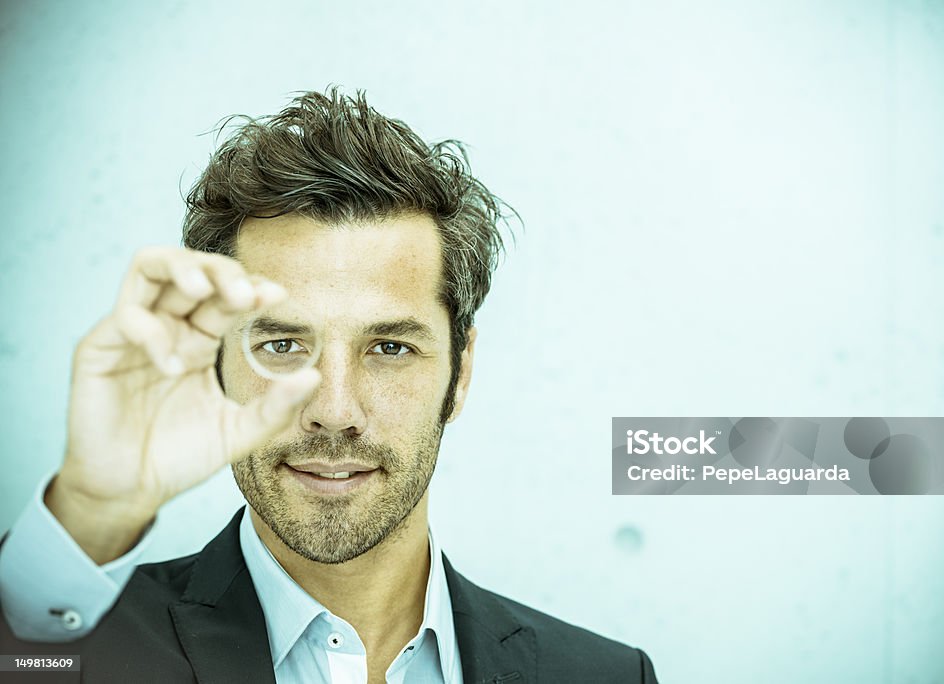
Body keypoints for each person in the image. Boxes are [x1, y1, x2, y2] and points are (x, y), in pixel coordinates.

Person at [0, 88, 659, 683]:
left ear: (460, 374)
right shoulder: (73, 652)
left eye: (391, 347)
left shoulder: (605, 676)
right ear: (213, 363)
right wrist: (92, 508)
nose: (334, 411)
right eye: (282, 344)